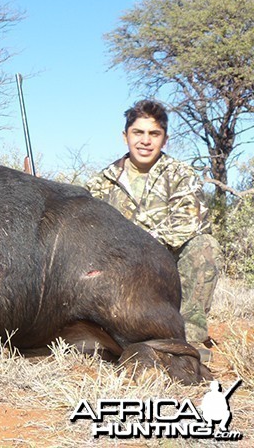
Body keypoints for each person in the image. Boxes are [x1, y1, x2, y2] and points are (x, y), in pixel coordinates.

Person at [85, 99, 219, 352]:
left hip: (164, 271)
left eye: (154, 134)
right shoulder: (100, 181)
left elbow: (190, 222)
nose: (145, 141)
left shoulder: (182, 174)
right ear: (125, 136)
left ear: (164, 140)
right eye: (138, 132)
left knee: (205, 246)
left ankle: (187, 338)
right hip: (119, 275)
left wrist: (138, 247)